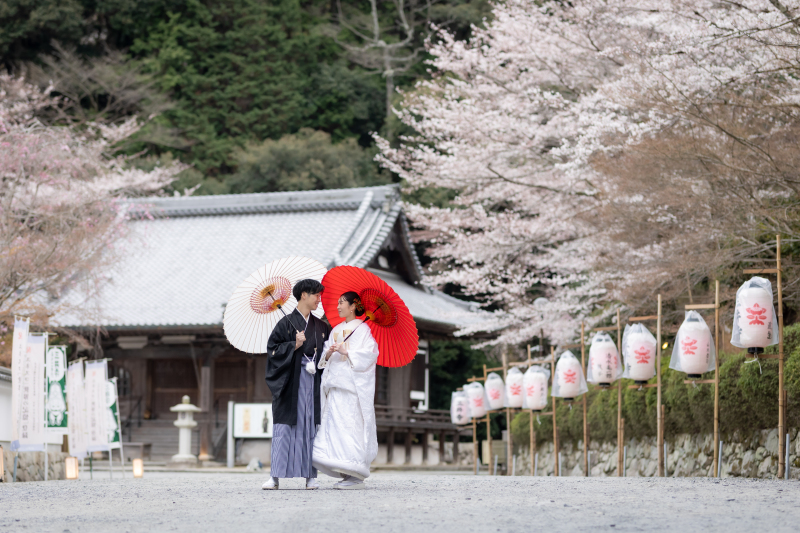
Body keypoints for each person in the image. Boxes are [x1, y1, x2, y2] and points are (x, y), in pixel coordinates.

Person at [262, 279, 331, 490]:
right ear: (303, 295)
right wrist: (294, 344)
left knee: (310, 426)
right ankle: (275, 476)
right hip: (290, 382)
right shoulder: (285, 324)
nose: (319, 299)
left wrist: (327, 354)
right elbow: (272, 350)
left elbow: (326, 357)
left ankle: (310, 476)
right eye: (316, 295)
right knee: (284, 427)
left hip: (313, 381)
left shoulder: (322, 327)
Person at [312, 292, 379, 490]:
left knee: (351, 428)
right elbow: (324, 358)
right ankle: (345, 471)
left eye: (342, 303)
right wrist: (329, 353)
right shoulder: (336, 329)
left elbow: (370, 354)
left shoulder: (363, 329)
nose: (338, 306)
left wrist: (347, 352)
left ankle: (356, 474)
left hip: (351, 388)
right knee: (334, 428)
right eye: (338, 302)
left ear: (353, 306)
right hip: (335, 385)